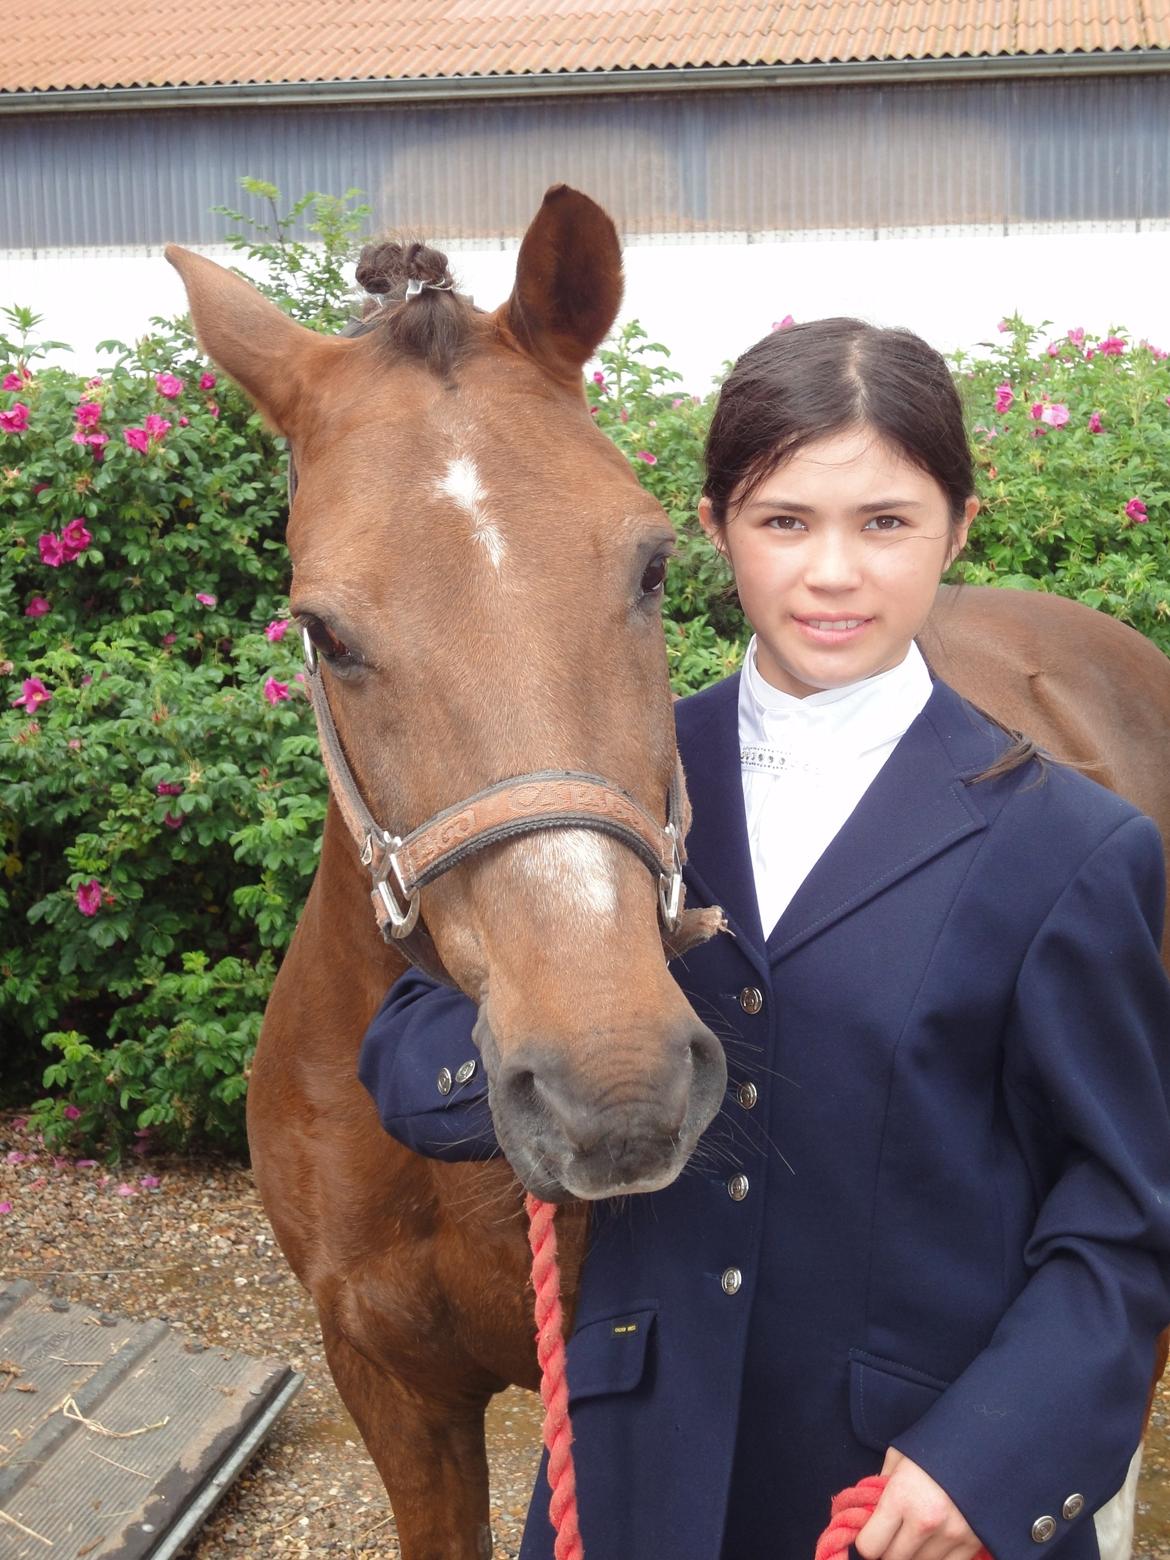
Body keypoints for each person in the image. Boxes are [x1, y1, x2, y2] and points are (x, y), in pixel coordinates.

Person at [358, 317, 1170, 1560]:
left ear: (960, 525)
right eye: (785, 521)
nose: (832, 574)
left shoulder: (1072, 848)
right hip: (633, 1482)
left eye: (885, 523)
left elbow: (1123, 1221)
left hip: (907, 1497)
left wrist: (991, 1458)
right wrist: (547, 1044)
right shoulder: (605, 786)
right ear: (717, 529)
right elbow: (412, 1052)